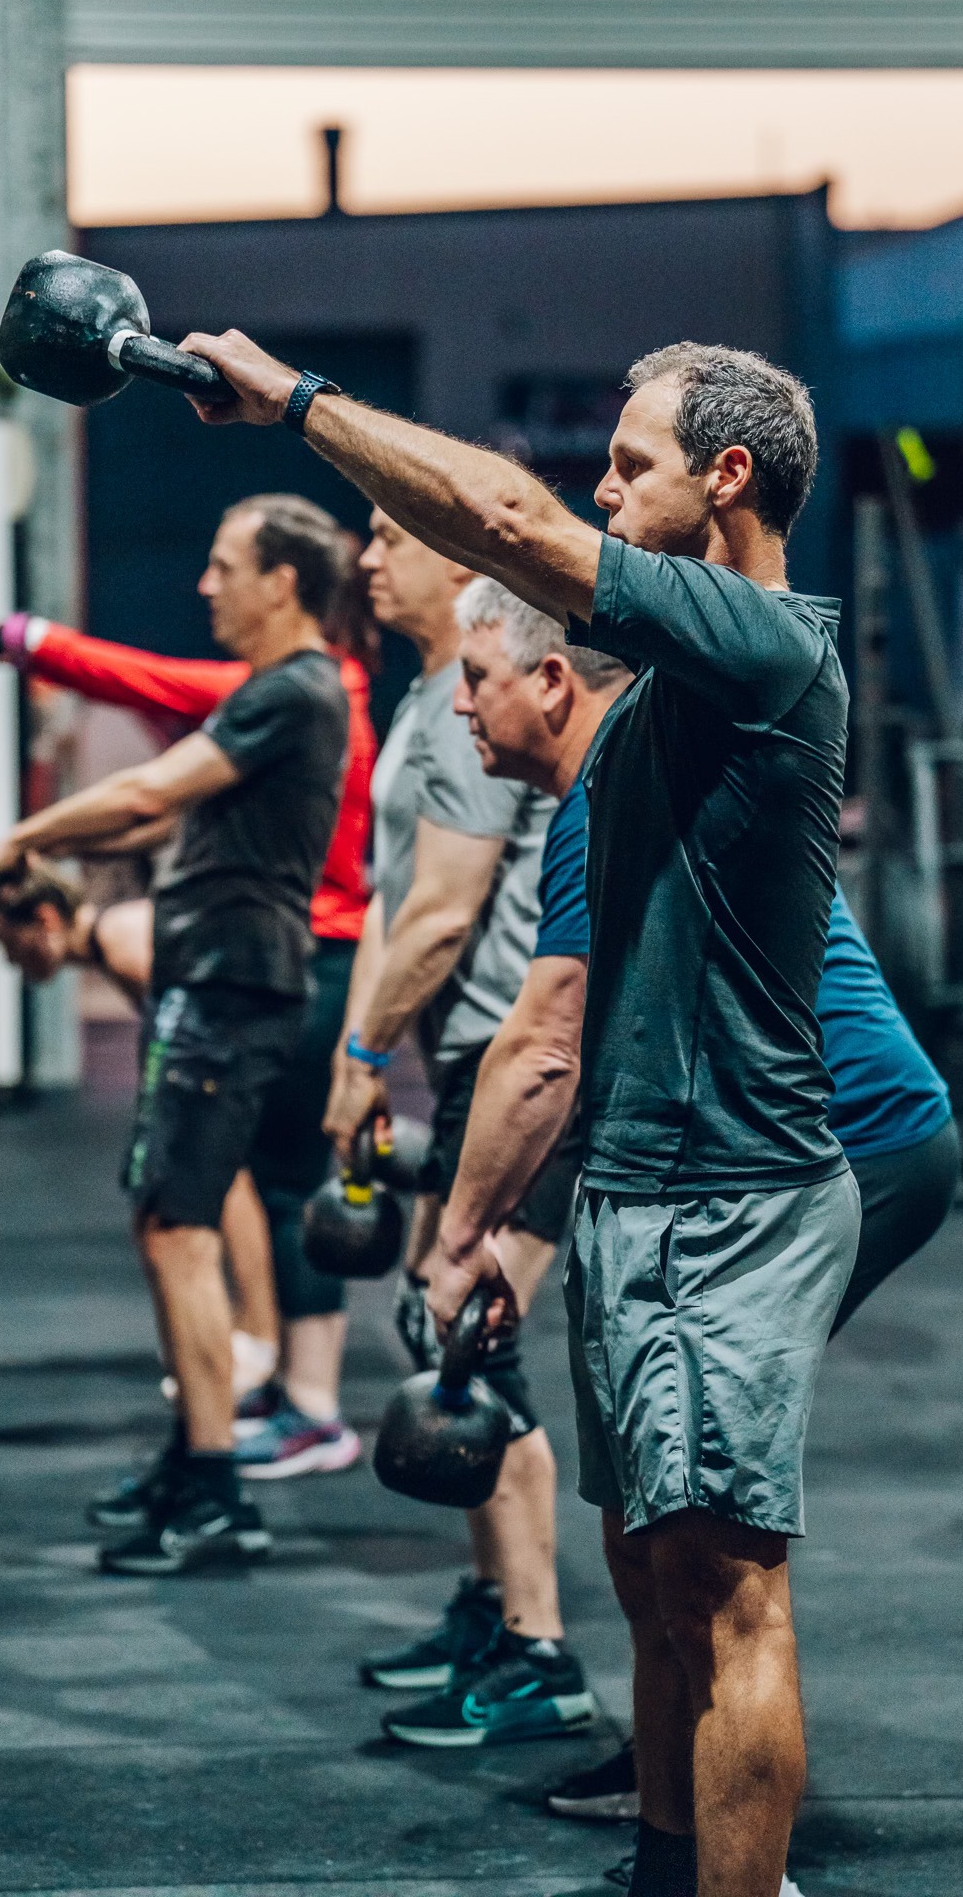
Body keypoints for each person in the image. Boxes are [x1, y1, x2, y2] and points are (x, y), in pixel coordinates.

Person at [182, 330, 859, 1897]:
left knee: (730, 1586)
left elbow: (509, 529)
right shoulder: (650, 711)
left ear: (730, 479)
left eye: (632, 464)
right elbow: (579, 997)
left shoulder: (766, 650)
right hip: (638, 1182)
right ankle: (664, 1862)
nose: (604, 491)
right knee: (645, 1570)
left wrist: (292, 403)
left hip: (732, 1190)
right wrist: (520, 1217)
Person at [383, 579, 958, 1778]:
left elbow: (547, 1038)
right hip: (746, 1154)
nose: (461, 709)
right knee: (658, 1500)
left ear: (552, 680)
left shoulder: (618, 786)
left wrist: (459, 1237)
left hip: (851, 1143)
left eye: (477, 681)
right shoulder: (607, 788)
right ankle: (674, 1762)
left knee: (698, 1512)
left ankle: (719, 1799)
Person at [0, 494, 348, 1576]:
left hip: (234, 988)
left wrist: (17, 837)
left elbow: (148, 783)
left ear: (282, 581)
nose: (204, 584)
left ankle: (220, 1489)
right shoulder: (265, 697)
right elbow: (148, 815)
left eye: (225, 565)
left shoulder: (295, 687)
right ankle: (195, 1457)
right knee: (164, 1221)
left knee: (184, 1228)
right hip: (208, 977)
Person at [320, 509, 593, 1732]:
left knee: (477, 1345)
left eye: (390, 537)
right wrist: (364, 1048)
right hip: (470, 1051)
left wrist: (367, 1051)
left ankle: (540, 1651)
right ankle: (493, 1603)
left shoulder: (459, 703)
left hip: (513, 1052)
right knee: (437, 1323)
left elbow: (440, 910)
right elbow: (394, 898)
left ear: (461, 561)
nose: (370, 559)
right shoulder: (436, 695)